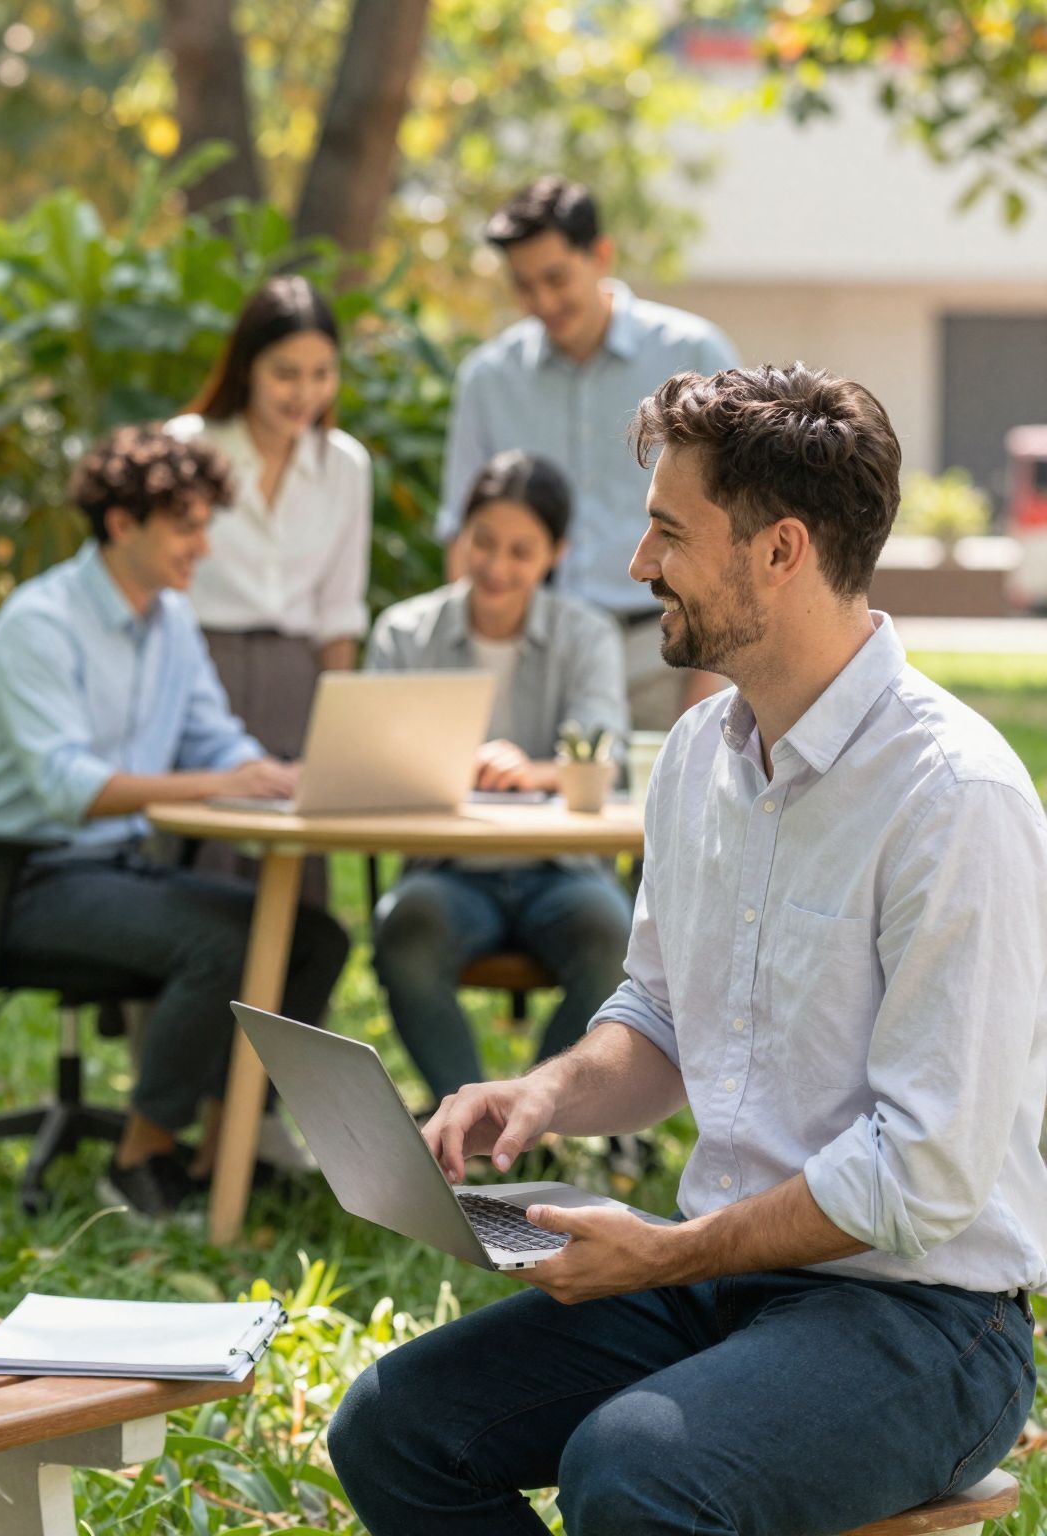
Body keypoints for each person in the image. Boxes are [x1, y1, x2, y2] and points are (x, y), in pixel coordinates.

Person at [331, 365, 1047, 1535]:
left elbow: (921, 1177)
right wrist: (541, 1094)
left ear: (779, 551)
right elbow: (657, 1019)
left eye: (668, 530)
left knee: (630, 1471)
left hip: (923, 1319)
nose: (635, 564)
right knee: (394, 1428)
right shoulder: (696, 757)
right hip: (717, 1279)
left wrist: (661, 1256)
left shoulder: (951, 798)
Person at [0, 423, 352, 1219]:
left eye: (207, 524)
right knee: (222, 944)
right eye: (186, 526)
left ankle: (221, 1148)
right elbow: (70, 786)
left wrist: (276, 778)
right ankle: (139, 1155)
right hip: (24, 879)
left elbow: (213, 734)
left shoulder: (171, 622)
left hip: (122, 867)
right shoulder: (39, 623)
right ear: (123, 524)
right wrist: (220, 781)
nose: (203, 547)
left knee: (315, 939)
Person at [367, 450, 632, 1103]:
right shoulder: (404, 633)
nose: (496, 567)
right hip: (448, 872)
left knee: (616, 937)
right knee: (405, 929)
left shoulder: (587, 635)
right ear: (459, 536)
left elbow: (609, 750)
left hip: (561, 873)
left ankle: (527, 1112)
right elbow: (372, 758)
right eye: (482, 542)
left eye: (522, 551)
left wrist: (537, 769)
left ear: (555, 554)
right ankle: (471, 1121)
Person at [441, 176, 740, 731]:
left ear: (600, 255)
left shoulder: (694, 353)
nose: (543, 302)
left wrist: (711, 675)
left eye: (556, 277)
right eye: (524, 285)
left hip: (666, 652)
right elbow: (463, 534)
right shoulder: (487, 379)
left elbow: (734, 524)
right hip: (539, 660)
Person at [166, 276, 372, 904]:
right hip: (199, 668)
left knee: (293, 883)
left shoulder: (345, 465)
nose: (304, 393)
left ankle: (286, 1005)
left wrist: (335, 732)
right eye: (286, 373)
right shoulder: (188, 449)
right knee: (203, 874)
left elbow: (339, 614)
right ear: (247, 365)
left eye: (321, 373)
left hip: (295, 677)